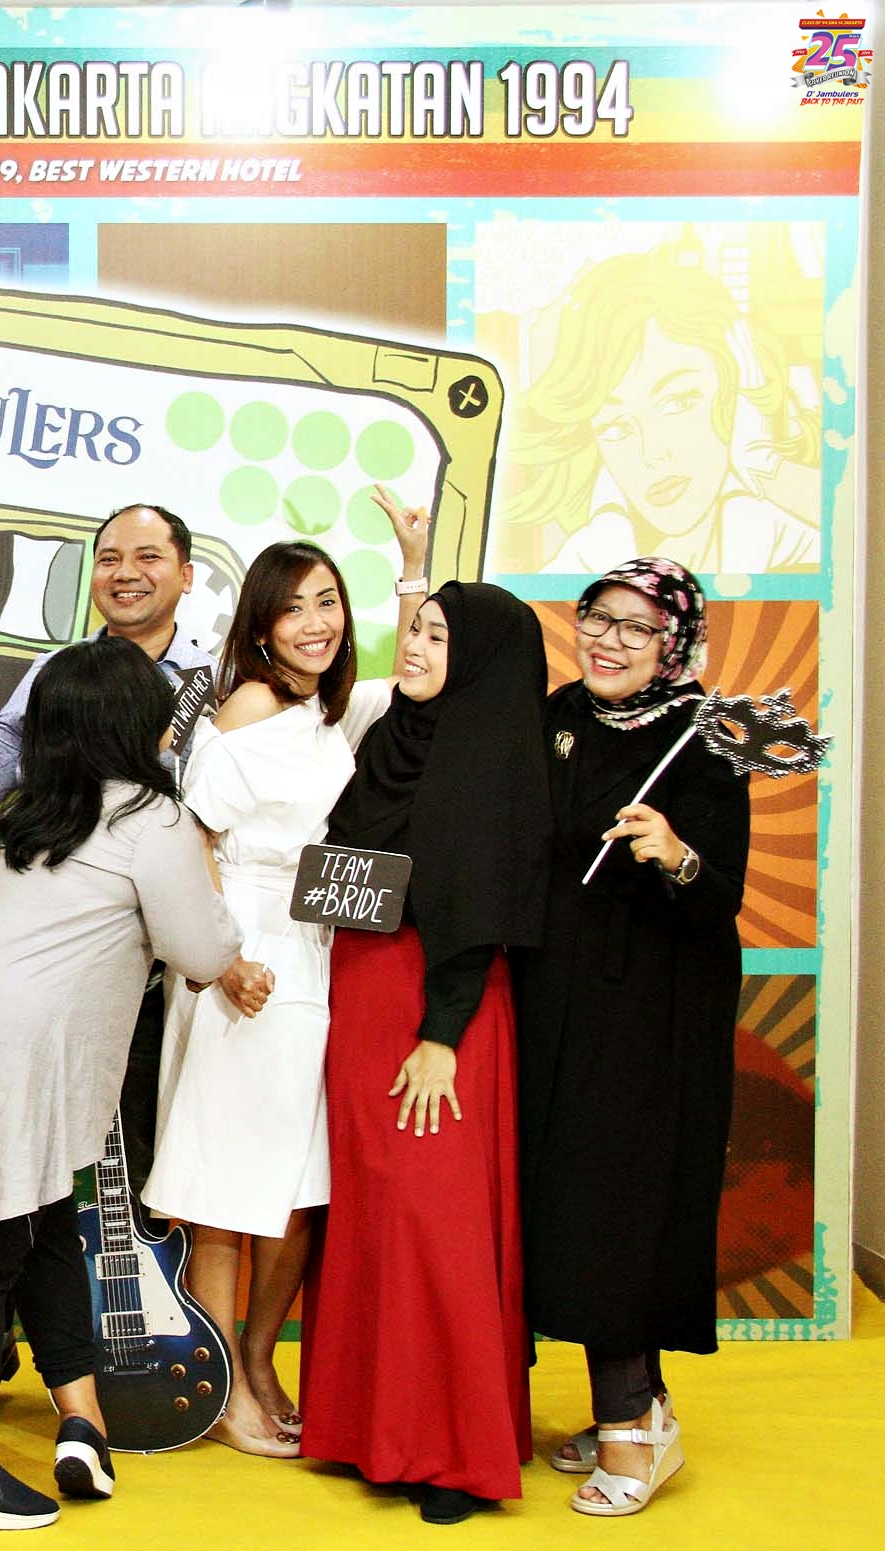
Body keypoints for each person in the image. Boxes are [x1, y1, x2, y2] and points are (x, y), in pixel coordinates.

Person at [0, 636, 245, 1530]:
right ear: (134, 720)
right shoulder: (152, 817)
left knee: (43, 1227)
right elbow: (201, 948)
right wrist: (213, 873)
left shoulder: (33, 815)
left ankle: (84, 1422)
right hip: (11, 1057)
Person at [143, 489, 428, 1457]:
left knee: (301, 1187)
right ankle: (222, 1384)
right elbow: (192, 838)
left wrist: (412, 570)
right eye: (293, 606)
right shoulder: (250, 706)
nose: (315, 622)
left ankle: (260, 1361)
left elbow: (416, 684)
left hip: (315, 955)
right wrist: (223, 962)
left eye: (327, 602)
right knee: (227, 1188)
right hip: (249, 960)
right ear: (261, 627)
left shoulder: (323, 714)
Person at [300, 582, 552, 1525]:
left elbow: (484, 904)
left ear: (480, 659)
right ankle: (373, 1427)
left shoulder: (495, 759)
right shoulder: (393, 740)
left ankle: (451, 1449)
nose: (413, 646)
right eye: (415, 628)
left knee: (432, 1220)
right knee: (371, 1209)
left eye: (439, 637)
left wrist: (443, 1034)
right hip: (363, 994)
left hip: (439, 1009)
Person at [512, 559, 748, 1517]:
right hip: (556, 993)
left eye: (637, 628)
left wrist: (676, 855)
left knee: (616, 1203)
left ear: (673, 644)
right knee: (561, 1199)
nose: (610, 641)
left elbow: (721, 897)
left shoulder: (706, 738)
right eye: (598, 619)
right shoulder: (559, 715)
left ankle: (630, 1426)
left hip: (652, 1011)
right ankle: (641, 1403)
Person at [0, 502, 215, 1200]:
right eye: (109, 559)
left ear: (186, 574)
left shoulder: (217, 682)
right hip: (45, 974)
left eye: (147, 557)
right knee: (24, 1169)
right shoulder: (58, 670)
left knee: (137, 1172)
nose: (125, 573)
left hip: (158, 971)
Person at [499, 242, 820, 575]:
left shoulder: (793, 544)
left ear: (732, 397)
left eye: (678, 403)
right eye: (616, 428)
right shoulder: (577, 565)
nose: (652, 454)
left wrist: (764, 463)